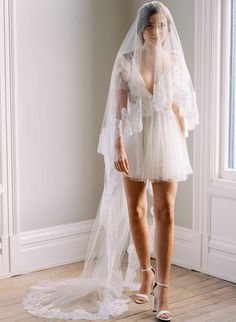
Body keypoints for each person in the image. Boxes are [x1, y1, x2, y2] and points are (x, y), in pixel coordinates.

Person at [22, 1, 199, 321]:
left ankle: (164, 288)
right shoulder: (126, 61)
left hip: (166, 138)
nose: (156, 32)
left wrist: (181, 144)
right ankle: (145, 272)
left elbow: (177, 106)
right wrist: (118, 147)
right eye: (150, 26)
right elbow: (117, 112)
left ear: (167, 30)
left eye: (161, 26)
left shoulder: (174, 62)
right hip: (134, 138)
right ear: (140, 28)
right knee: (136, 210)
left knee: (166, 212)